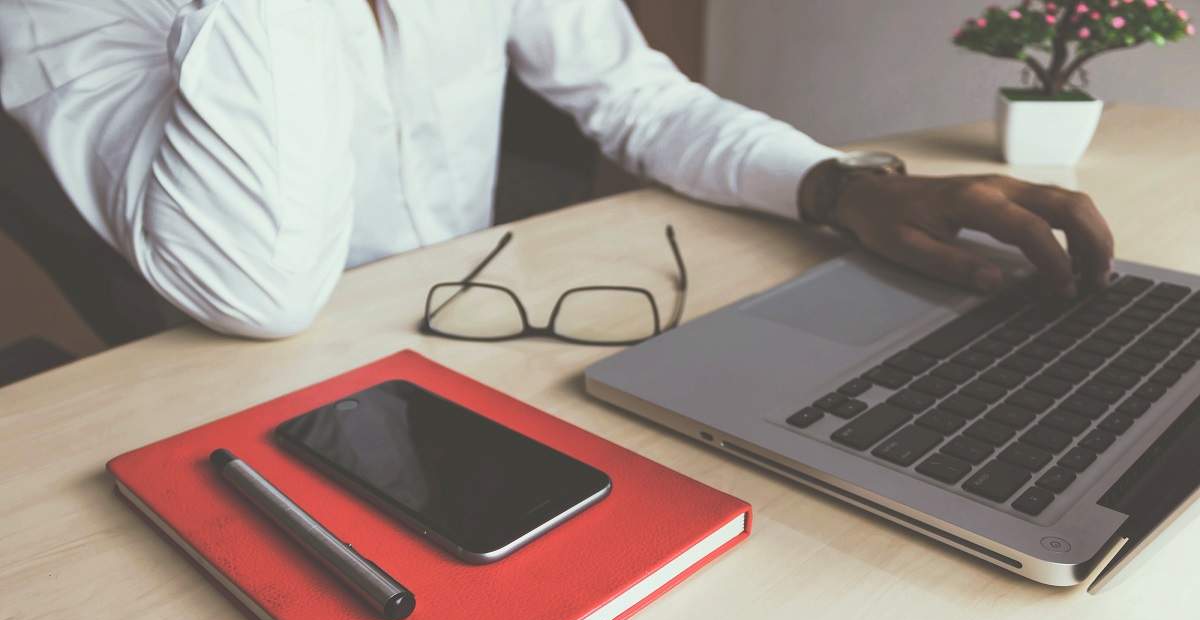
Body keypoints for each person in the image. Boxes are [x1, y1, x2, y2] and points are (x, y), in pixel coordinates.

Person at [0, 0, 1113, 340]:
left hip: (472, 338)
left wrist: (835, 186)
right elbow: (255, 289)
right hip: (215, 388)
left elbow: (631, 94)